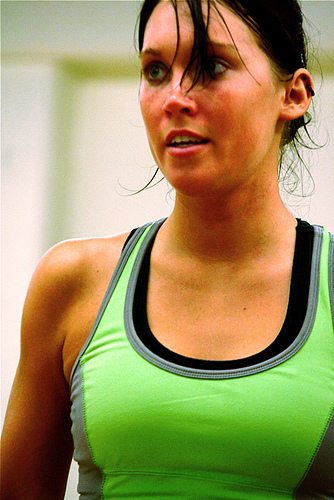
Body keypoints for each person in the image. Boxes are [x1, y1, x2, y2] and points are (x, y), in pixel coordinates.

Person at [1, 0, 333, 498]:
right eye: (156, 70)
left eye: (211, 66)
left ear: (294, 94)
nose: (174, 97)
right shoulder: (73, 281)